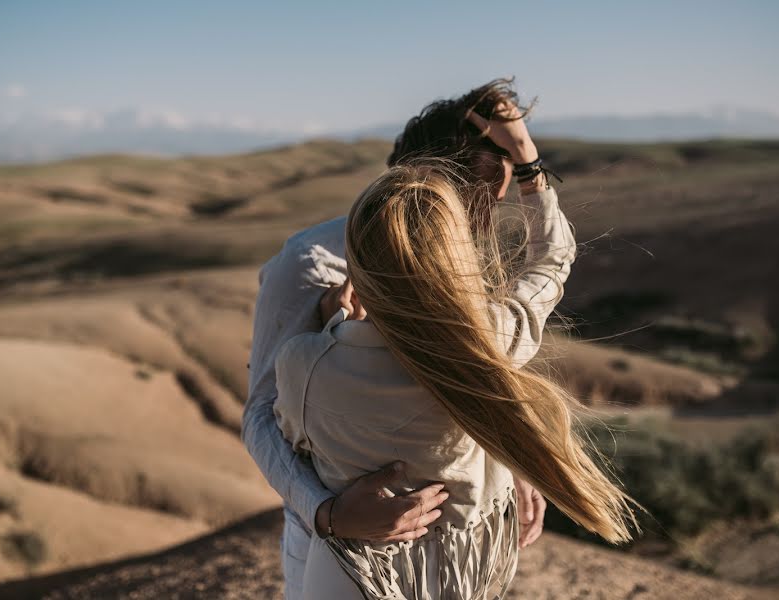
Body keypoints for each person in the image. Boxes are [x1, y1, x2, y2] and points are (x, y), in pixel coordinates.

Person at [241, 80, 619, 599]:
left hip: (459, 556)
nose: (488, 222)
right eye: (481, 199)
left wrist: (512, 457)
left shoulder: (454, 260)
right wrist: (327, 512)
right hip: (338, 551)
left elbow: (469, 375)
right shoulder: (309, 264)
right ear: (432, 185)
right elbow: (262, 414)